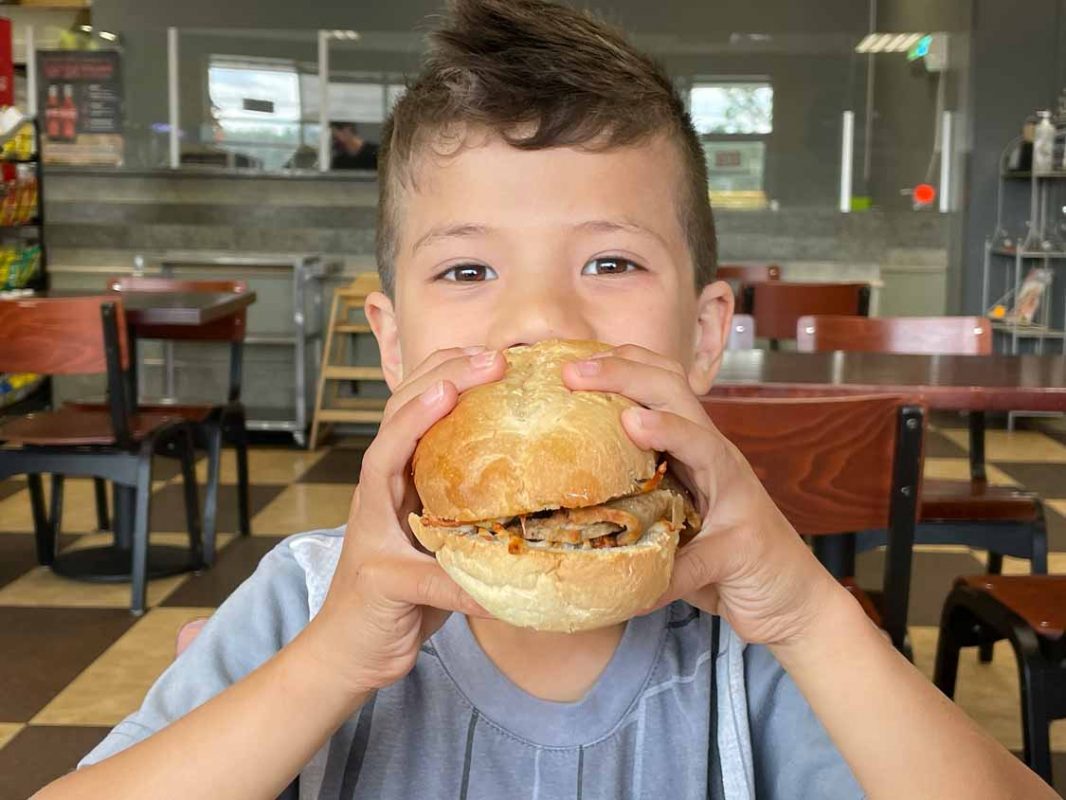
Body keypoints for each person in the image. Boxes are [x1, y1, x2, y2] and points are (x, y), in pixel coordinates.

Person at [35, 1, 1054, 798]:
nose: (539, 319)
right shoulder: (306, 601)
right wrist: (327, 664)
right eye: (467, 271)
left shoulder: (758, 648)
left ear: (703, 335)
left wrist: (807, 615)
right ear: (394, 345)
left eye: (609, 259)